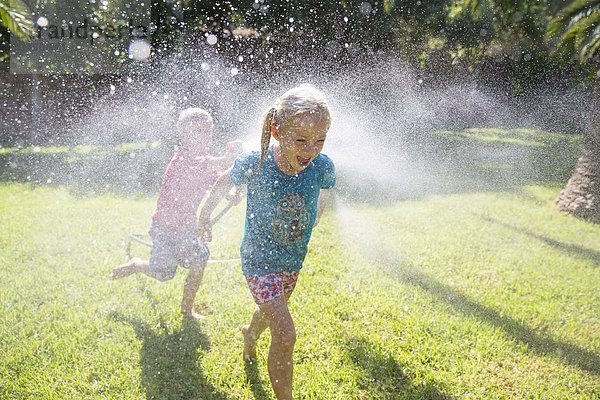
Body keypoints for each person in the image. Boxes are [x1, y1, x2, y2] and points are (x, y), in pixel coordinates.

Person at [198, 84, 335, 400]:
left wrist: (313, 215)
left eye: (319, 140)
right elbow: (222, 182)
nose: (310, 149)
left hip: (291, 261)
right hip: (258, 262)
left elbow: (321, 201)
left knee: (272, 311)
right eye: (300, 140)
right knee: (285, 334)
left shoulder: (322, 167)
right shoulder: (256, 162)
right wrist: (204, 216)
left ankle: (250, 334)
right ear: (277, 130)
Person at [111, 108, 241, 319]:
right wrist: (230, 159)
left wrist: (232, 193)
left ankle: (187, 309)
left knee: (199, 261)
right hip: (164, 229)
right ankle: (137, 265)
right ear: (183, 134)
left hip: (188, 228)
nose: (205, 136)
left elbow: (219, 183)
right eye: (198, 131)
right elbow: (214, 165)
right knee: (163, 274)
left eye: (208, 131)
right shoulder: (182, 159)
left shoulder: (205, 161)